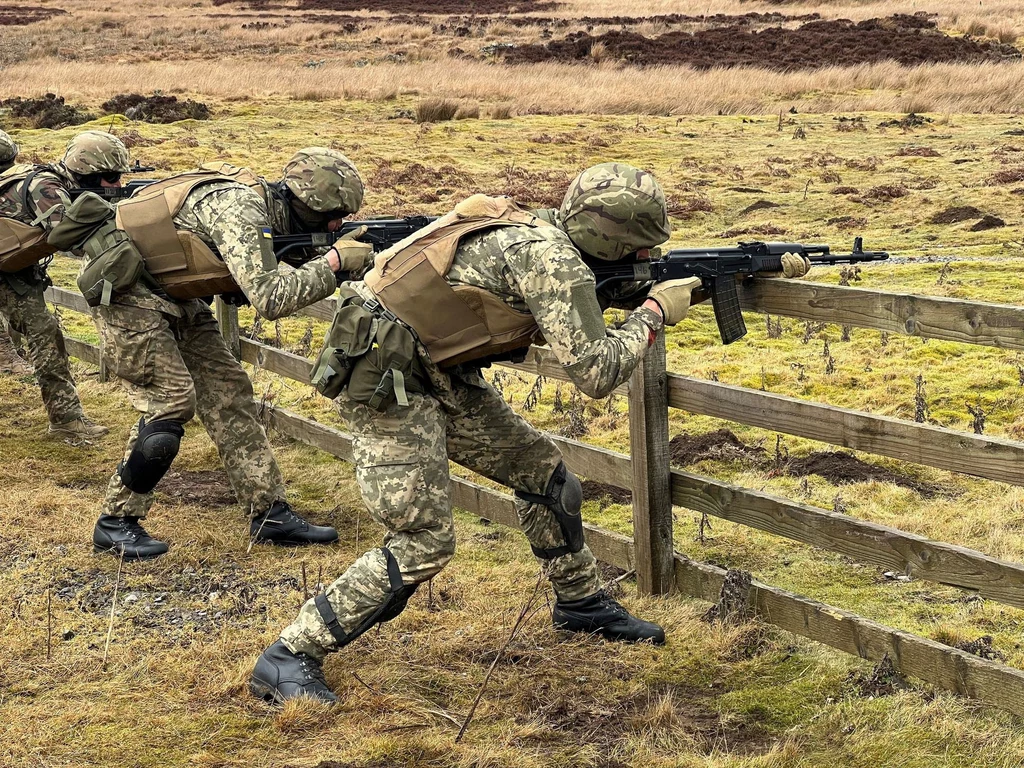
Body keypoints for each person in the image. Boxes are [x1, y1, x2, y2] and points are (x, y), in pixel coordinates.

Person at [249, 162, 813, 704]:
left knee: (546, 476)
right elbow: (596, 372)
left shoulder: (543, 229)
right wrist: (653, 315)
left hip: (434, 370)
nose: (649, 256)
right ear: (610, 239)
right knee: (423, 541)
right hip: (386, 385)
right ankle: (291, 654)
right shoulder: (551, 260)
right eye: (641, 248)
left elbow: (590, 293)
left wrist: (731, 276)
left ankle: (580, 603)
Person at [60, 148, 374, 560]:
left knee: (230, 393)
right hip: (129, 300)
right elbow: (271, 298)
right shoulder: (240, 209)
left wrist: (327, 257)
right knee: (171, 403)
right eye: (329, 216)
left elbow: (268, 266)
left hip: (176, 298)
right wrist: (332, 264)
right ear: (299, 202)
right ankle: (115, 522)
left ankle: (270, 514)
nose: (335, 224)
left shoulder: (268, 209)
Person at [0, 130, 121, 439]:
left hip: (12, 269)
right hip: (10, 274)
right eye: (110, 176)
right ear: (88, 172)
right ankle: (67, 420)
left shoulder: (39, 180)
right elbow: (73, 242)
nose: (116, 184)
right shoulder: (46, 187)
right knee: (46, 337)